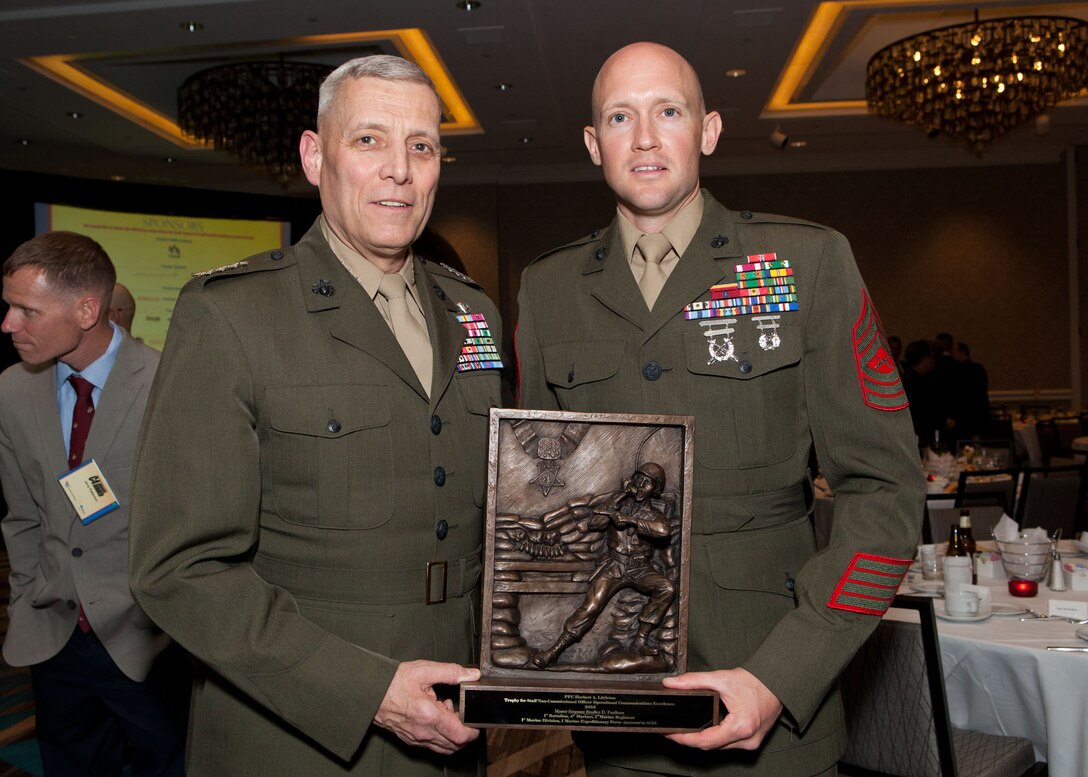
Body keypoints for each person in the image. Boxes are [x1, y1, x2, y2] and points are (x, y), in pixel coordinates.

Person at [515, 42, 923, 776]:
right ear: (592, 143)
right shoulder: (548, 290)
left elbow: (886, 490)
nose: (644, 137)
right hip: (617, 710)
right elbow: (534, 495)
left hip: (772, 699)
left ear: (707, 129)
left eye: (667, 111)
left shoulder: (806, 263)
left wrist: (784, 674)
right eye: (620, 116)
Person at [128, 55, 504, 776]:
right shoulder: (231, 315)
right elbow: (178, 569)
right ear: (314, 156)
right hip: (298, 735)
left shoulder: (472, 311)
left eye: (421, 146)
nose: (399, 168)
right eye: (369, 140)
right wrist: (368, 691)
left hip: (455, 727)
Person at [0, 231, 187, 776]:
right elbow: (21, 518)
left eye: (25, 310)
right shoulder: (12, 390)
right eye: (9, 307)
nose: (8, 324)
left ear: (86, 309)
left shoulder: (168, 385)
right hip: (53, 639)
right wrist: (25, 604)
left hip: (149, 641)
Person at [530, 462, 676, 669]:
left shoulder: (654, 516)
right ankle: (554, 651)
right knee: (590, 607)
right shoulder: (618, 505)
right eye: (639, 480)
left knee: (666, 588)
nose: (641, 486)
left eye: (648, 483)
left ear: (656, 490)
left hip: (640, 568)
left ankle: (640, 641)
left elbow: (663, 531)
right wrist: (617, 501)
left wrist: (632, 521)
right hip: (614, 566)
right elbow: (594, 524)